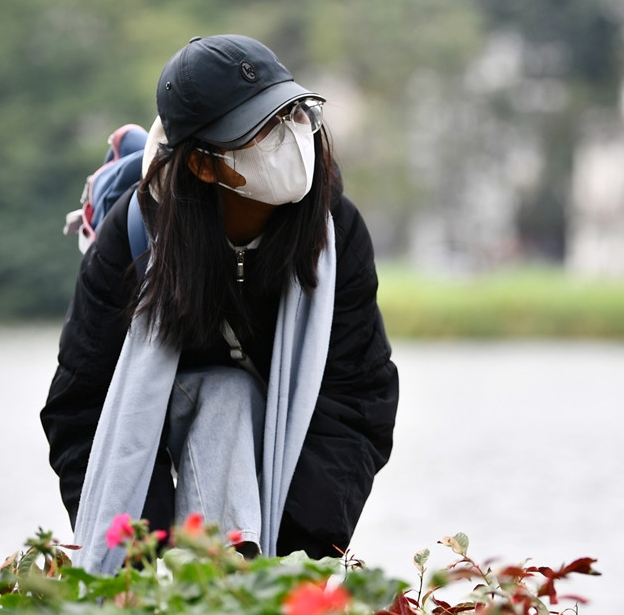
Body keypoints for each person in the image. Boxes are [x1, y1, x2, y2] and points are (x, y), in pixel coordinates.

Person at [40, 34, 399, 572]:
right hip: (159, 412)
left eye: (292, 114)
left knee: (230, 398)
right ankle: (208, 581)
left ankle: (236, 575)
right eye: (260, 131)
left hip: (266, 430)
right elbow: (82, 408)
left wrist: (296, 563)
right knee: (221, 392)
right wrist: (146, 561)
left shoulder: (333, 234)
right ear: (203, 165)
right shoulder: (132, 242)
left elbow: (354, 399)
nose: (290, 139)